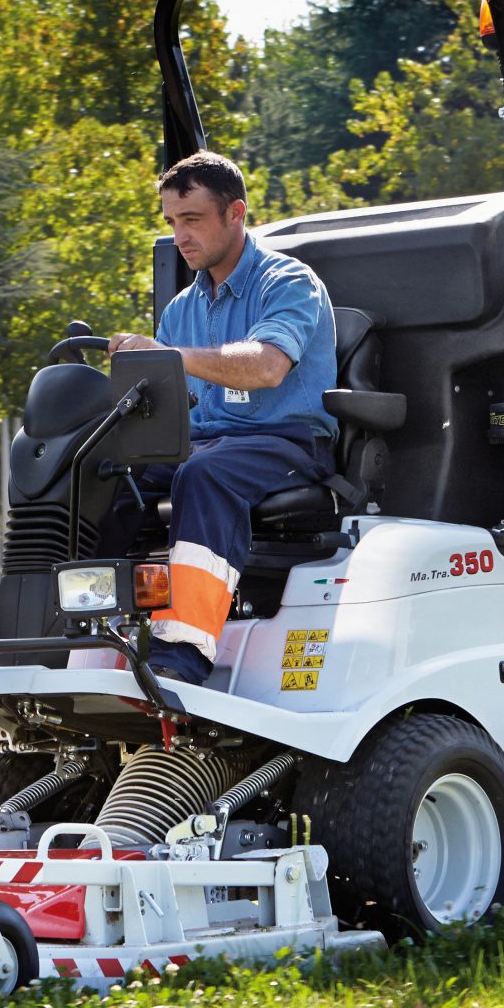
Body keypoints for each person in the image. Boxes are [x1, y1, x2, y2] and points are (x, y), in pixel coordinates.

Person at [104, 150, 337, 684]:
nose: (180, 236)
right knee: (100, 474)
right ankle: (56, 635)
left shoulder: (288, 282)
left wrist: (165, 356)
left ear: (236, 212)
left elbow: (268, 366)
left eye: (192, 220)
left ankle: (181, 657)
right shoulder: (182, 309)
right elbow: (173, 405)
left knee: (203, 475)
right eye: (171, 222)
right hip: (208, 442)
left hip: (288, 444)